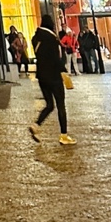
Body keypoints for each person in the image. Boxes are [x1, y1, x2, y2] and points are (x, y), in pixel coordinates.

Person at [29, 13, 76, 145]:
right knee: (61, 105)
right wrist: (64, 71)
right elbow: (55, 58)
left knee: (49, 104)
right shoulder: (51, 38)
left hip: (41, 76)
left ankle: (36, 125)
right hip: (54, 76)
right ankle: (64, 135)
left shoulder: (36, 38)